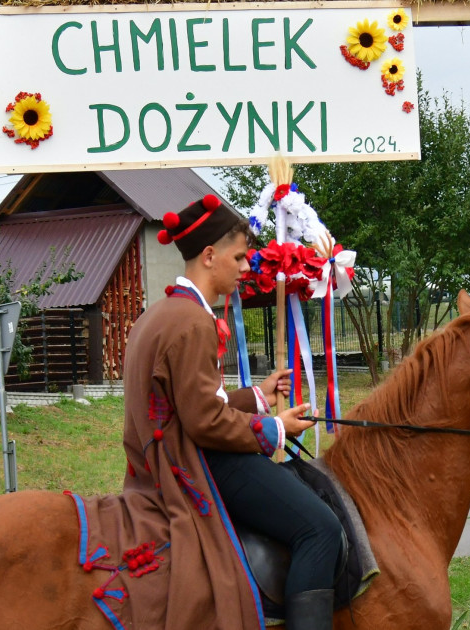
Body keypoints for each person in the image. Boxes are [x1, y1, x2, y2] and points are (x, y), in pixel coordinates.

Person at [120, 194, 342, 629]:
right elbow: (204, 422)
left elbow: (191, 402)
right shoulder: (193, 322)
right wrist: (275, 429)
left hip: (161, 461)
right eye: (239, 257)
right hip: (196, 465)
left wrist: (257, 397)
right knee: (320, 528)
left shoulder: (160, 314)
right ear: (208, 256)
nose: (245, 268)